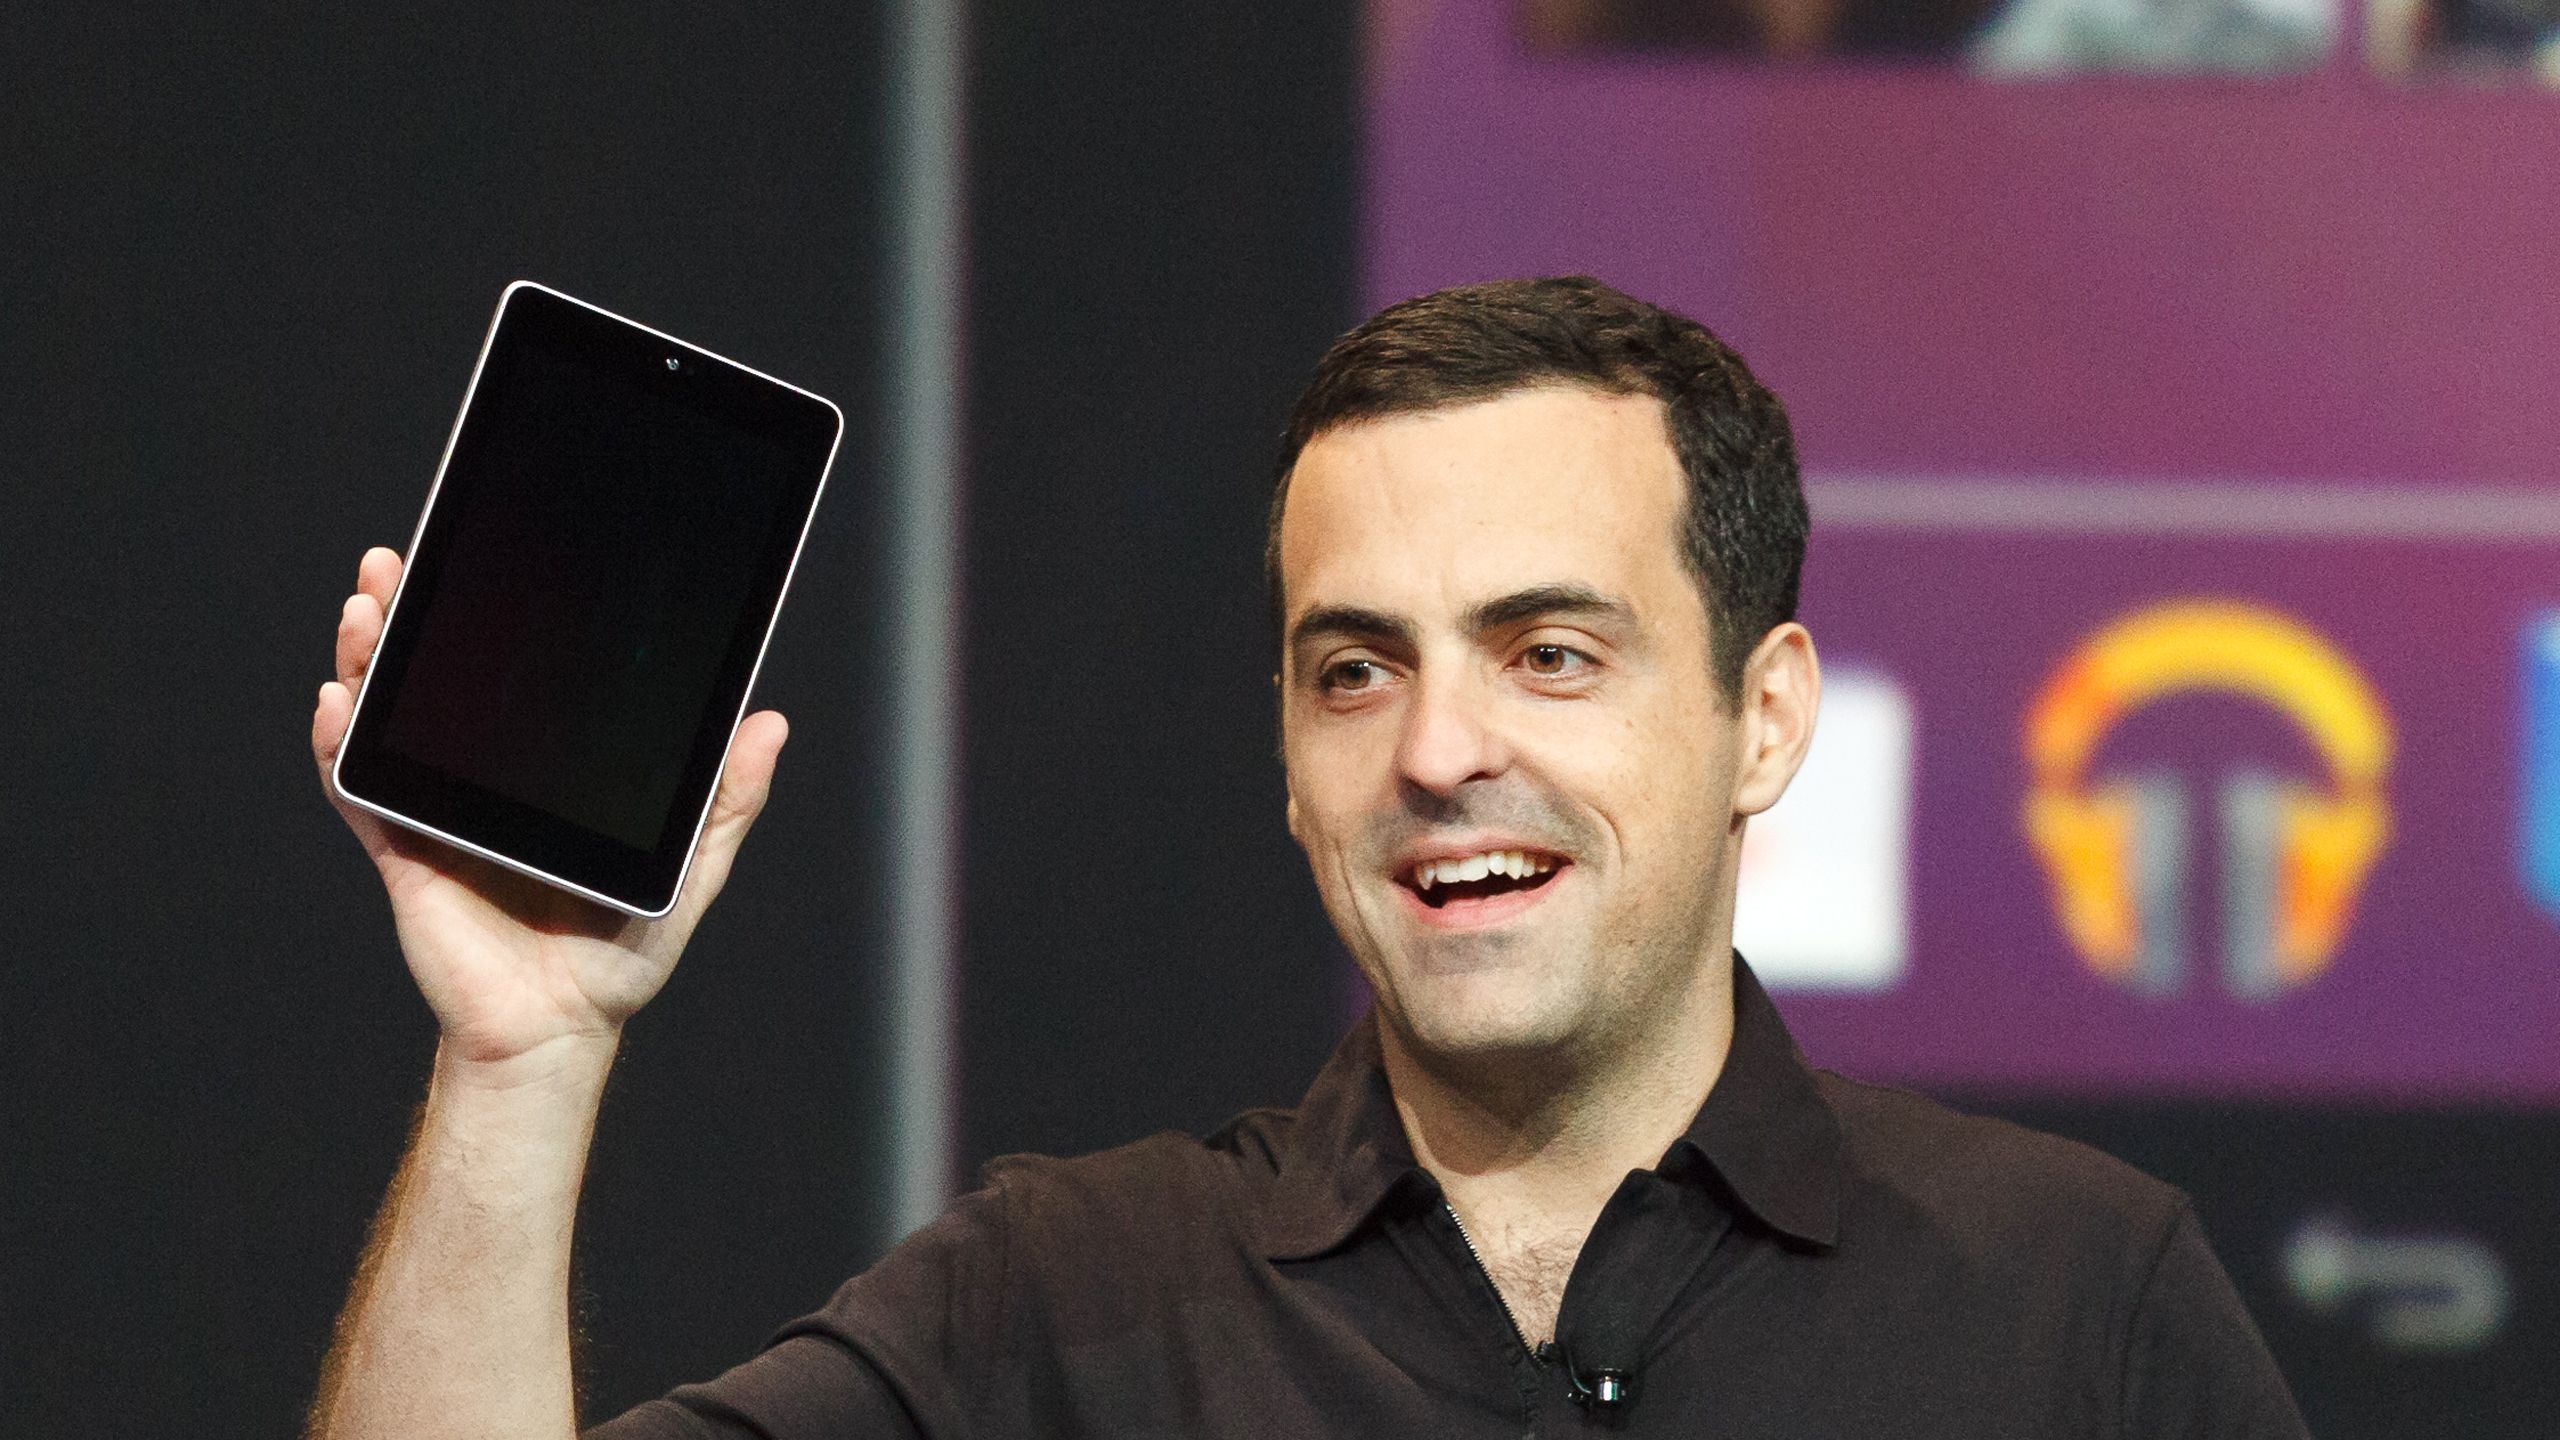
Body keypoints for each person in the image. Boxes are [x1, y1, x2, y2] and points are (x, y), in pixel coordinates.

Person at [305, 277, 2309, 1438]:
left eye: (1546, 653)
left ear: (1759, 718)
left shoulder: (2071, 1301)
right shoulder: (1061, 1306)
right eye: (1354, 670)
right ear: (1283, 758)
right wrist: (520, 1059)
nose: (1438, 753)